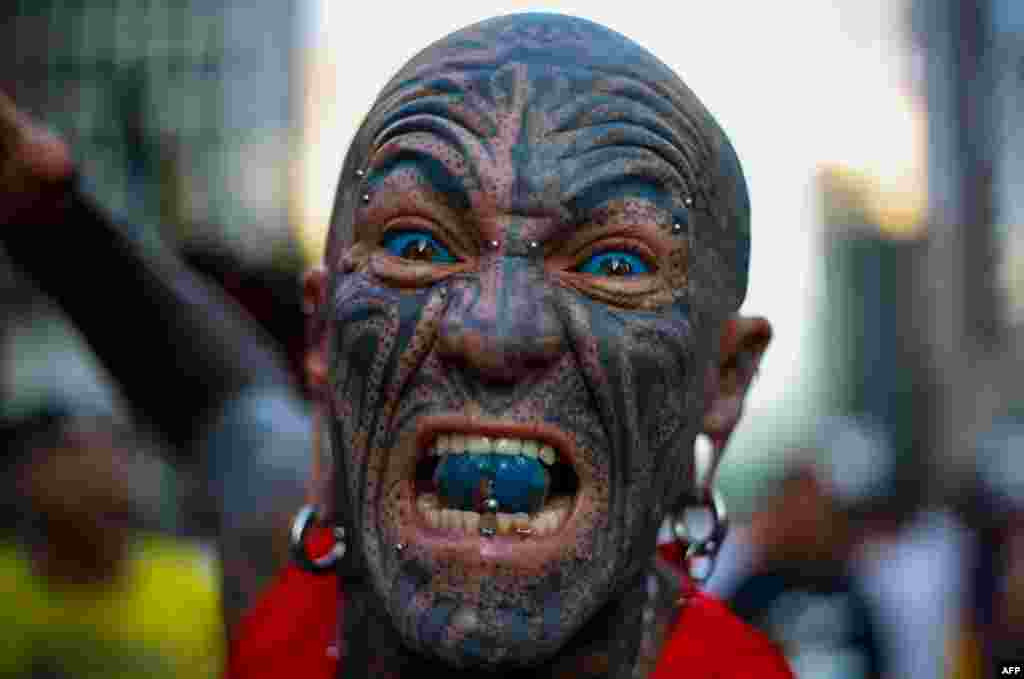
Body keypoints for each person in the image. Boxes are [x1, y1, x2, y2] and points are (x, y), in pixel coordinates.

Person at [2, 12, 793, 677]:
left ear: (723, 378)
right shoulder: (298, 588)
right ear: (324, 334)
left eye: (614, 264)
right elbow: (220, 400)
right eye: (417, 245)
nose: (493, 334)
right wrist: (47, 210)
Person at [0, 403, 224, 677]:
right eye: (74, 461)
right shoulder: (5, 592)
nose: (103, 474)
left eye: (112, 455)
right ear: (29, 483)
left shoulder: (198, 585)